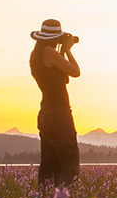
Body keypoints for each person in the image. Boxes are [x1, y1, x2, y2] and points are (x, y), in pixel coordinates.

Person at [30, 19, 81, 186]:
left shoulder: (37, 53)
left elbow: (61, 74)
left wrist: (63, 51)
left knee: (49, 161)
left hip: (46, 112)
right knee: (69, 160)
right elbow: (75, 72)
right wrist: (67, 50)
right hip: (59, 113)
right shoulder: (49, 52)